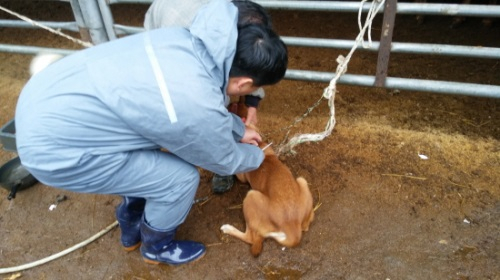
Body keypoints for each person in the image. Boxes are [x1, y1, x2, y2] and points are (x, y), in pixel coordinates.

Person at [15, 0, 288, 265]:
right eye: (252, 91)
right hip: (56, 150)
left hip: (47, 99)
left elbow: (205, 109)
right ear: (244, 83)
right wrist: (258, 155)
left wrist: (238, 129)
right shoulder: (192, 100)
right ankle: (158, 247)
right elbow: (221, 157)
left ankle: (132, 222)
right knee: (179, 180)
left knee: (149, 157)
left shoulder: (182, 39)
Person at [144, 0, 274, 194]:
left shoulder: (232, 14)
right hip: (169, 65)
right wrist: (254, 156)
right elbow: (205, 107)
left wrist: (252, 103)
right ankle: (222, 164)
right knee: (204, 114)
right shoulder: (182, 37)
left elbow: (249, 57)